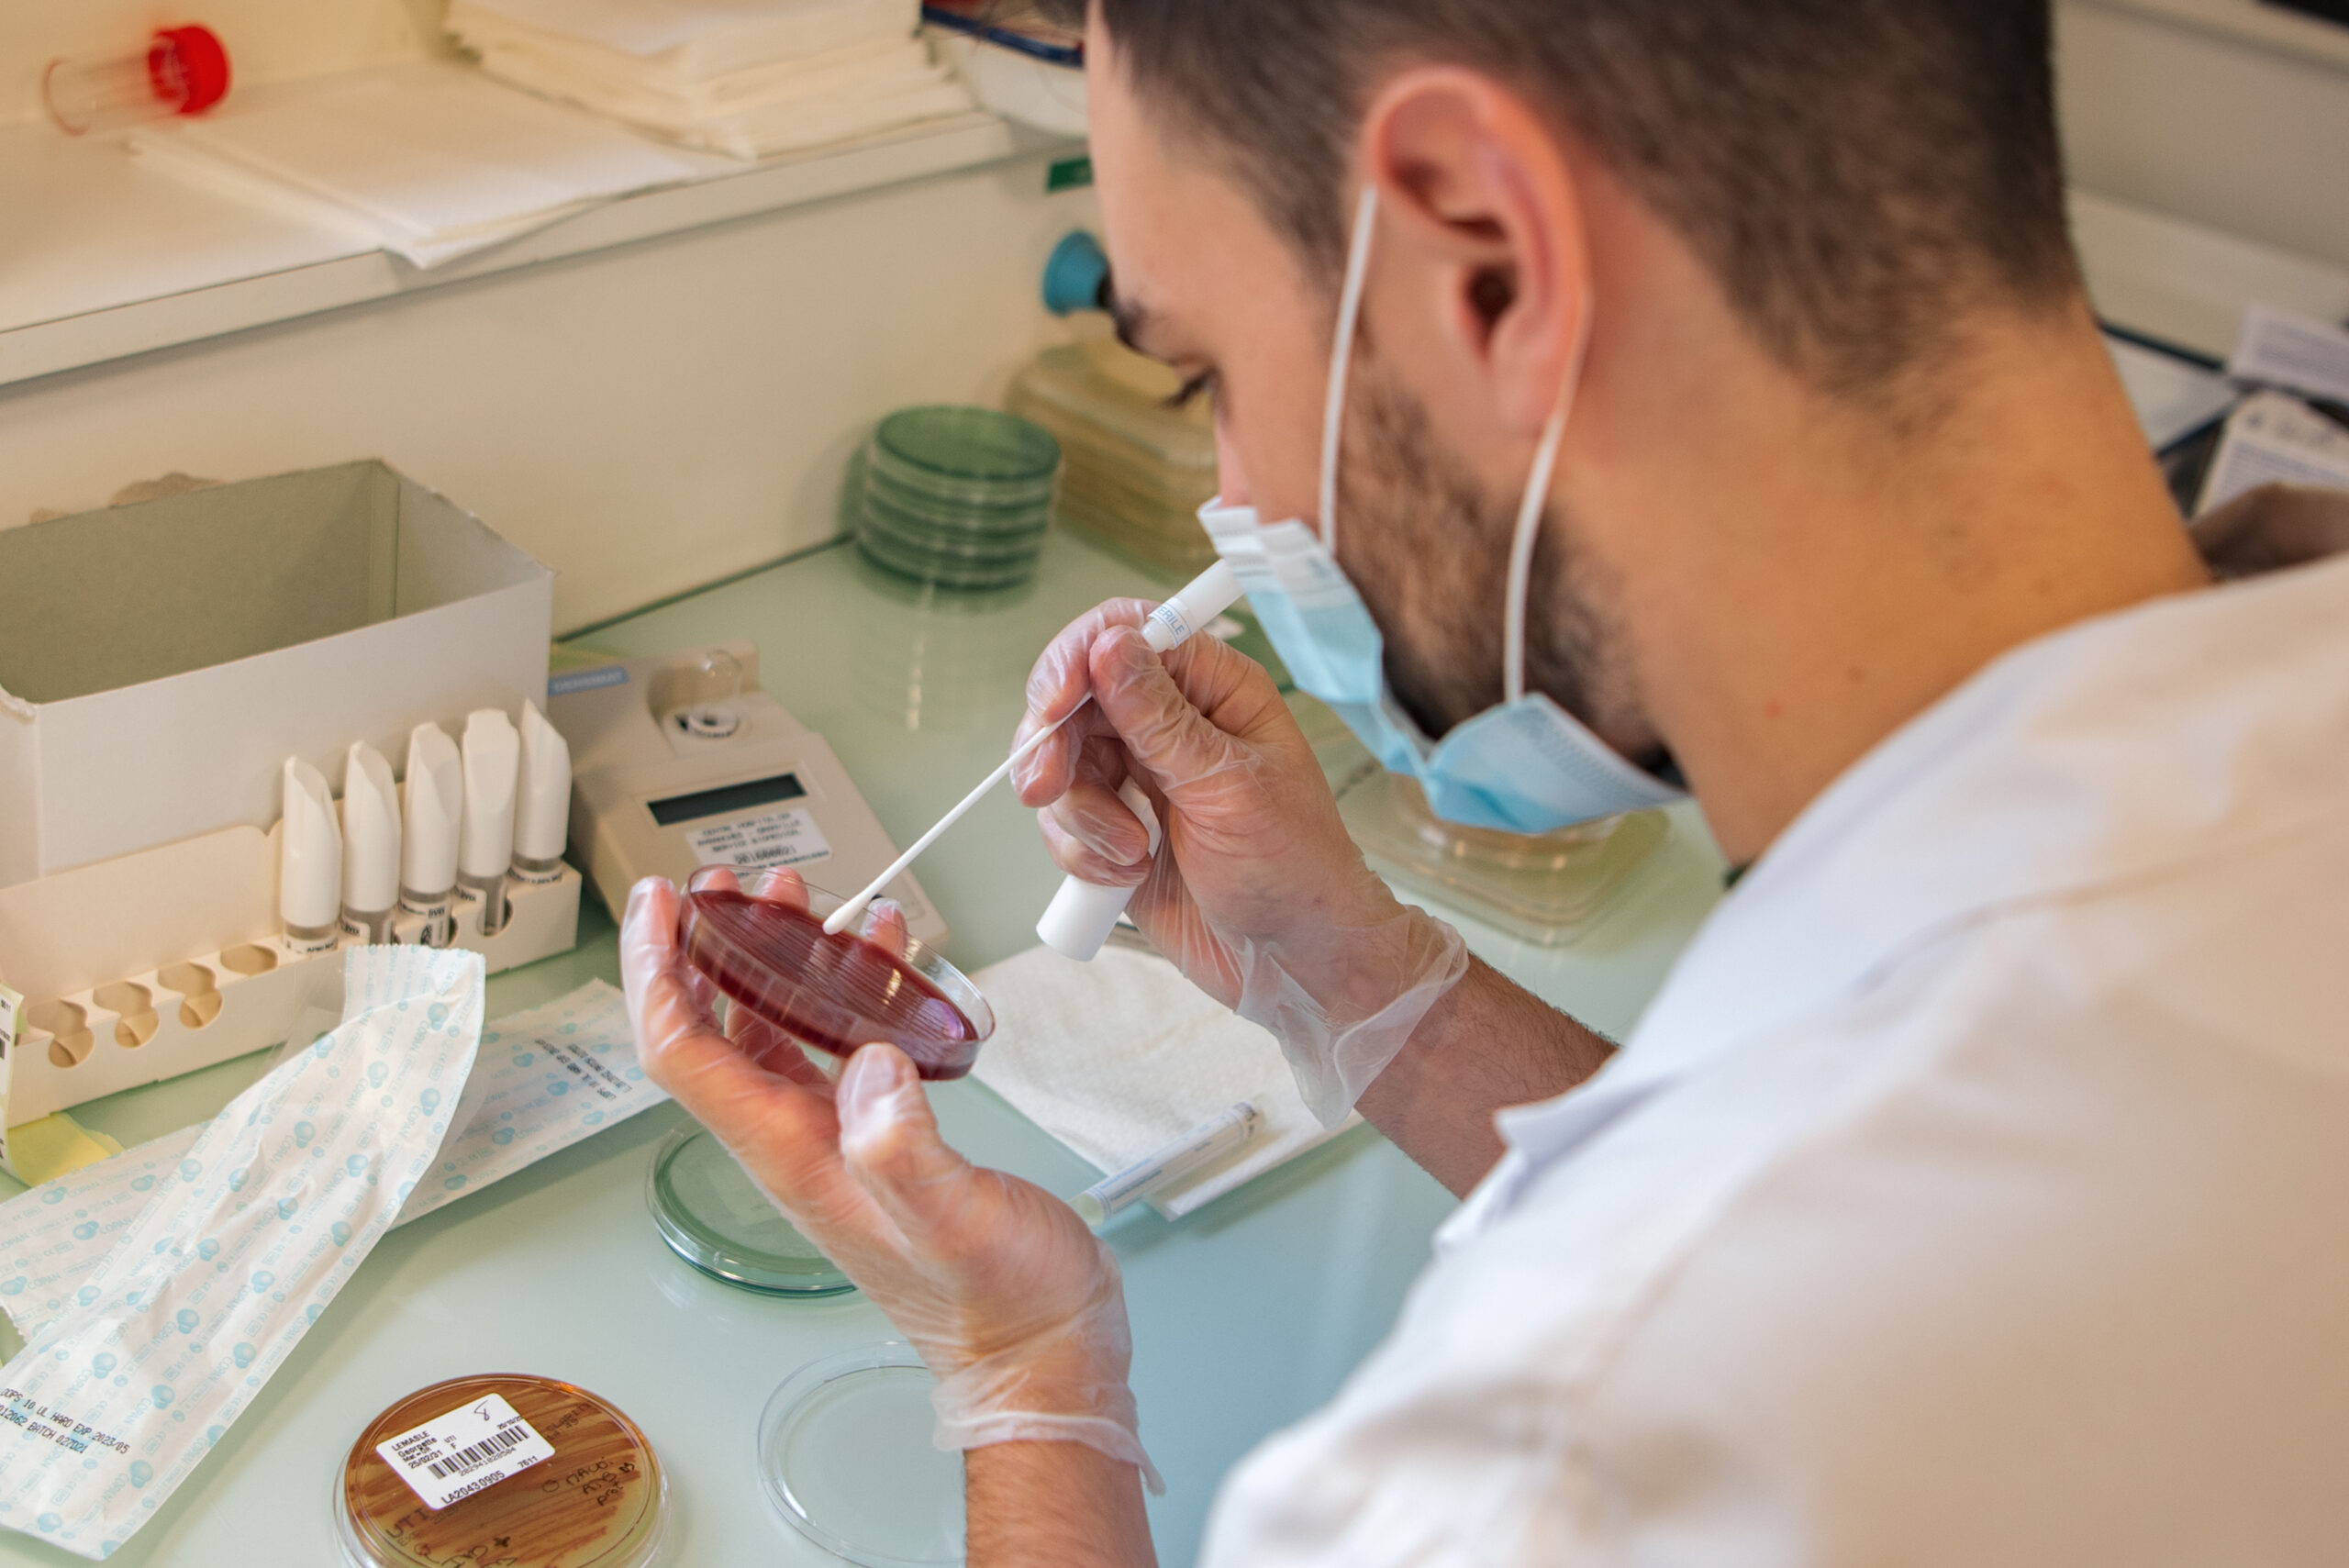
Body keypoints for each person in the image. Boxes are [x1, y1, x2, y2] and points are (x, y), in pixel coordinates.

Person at [621, 1, 2349, 1562]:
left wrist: (1022, 1374)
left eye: (1209, 371)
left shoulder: (1587, 1442)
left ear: (1493, 266)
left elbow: (1728, 1263)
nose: (1228, 487)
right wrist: (1349, 967)